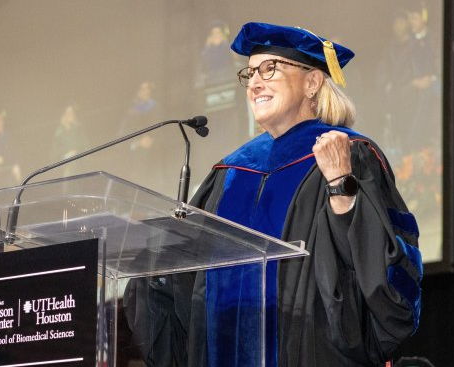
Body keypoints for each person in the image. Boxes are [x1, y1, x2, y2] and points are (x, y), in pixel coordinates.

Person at [125, 22, 422, 367]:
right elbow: (189, 282)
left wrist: (342, 188)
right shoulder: (230, 172)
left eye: (270, 69)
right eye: (249, 73)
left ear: (312, 82)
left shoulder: (348, 153)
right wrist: (155, 265)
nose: (254, 83)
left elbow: (389, 275)